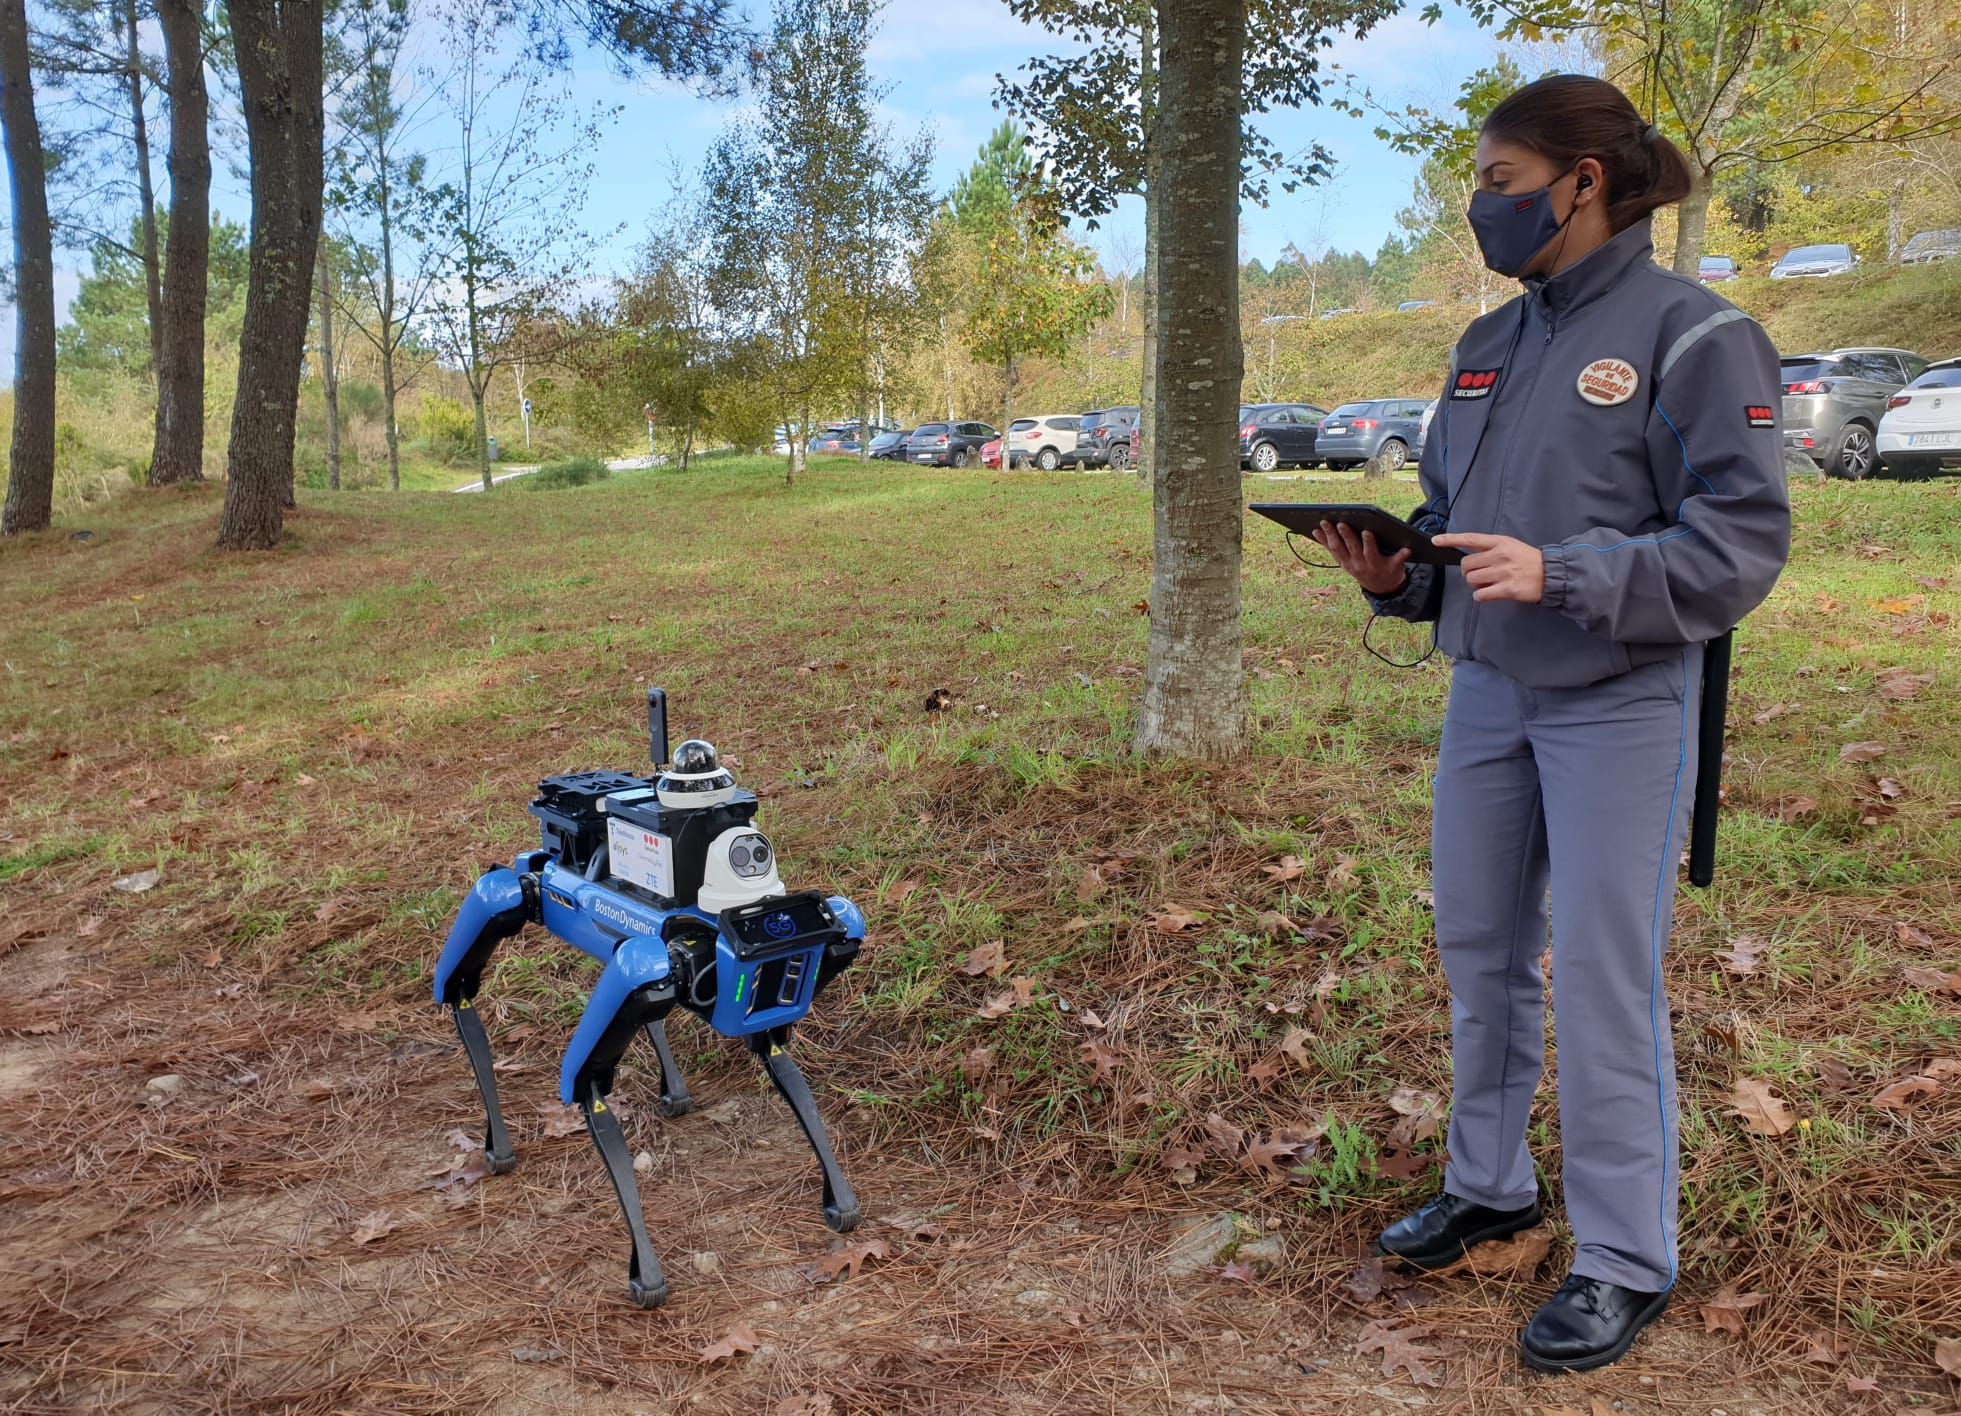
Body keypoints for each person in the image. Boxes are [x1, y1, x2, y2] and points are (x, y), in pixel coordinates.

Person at [1315, 74, 1790, 1374]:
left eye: (1501, 182)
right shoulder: (1485, 345)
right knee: (1477, 948)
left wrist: (1568, 572)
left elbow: (1740, 544)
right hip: (1486, 693)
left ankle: (1625, 1258)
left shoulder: (1693, 336)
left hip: (1619, 700)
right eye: (1479, 183)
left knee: (1596, 974)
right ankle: (1488, 1186)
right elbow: (1455, 534)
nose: (1483, 205)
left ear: (1582, 181)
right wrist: (1396, 575)